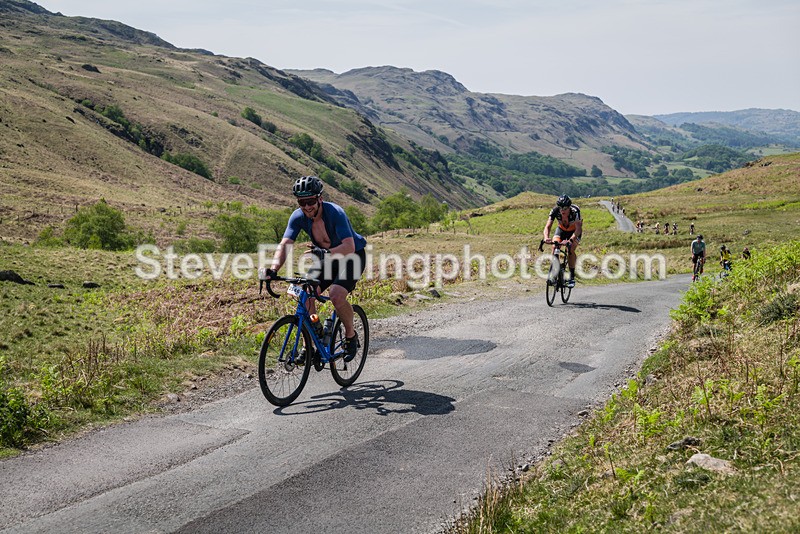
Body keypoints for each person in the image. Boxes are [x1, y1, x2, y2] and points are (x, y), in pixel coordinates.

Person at [264, 176, 367, 359]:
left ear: (320, 198)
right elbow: (285, 244)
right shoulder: (298, 217)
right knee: (305, 294)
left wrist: (325, 253)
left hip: (352, 256)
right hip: (328, 258)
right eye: (301, 202)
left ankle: (351, 336)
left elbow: (349, 246)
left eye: (310, 201)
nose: (306, 207)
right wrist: (273, 269)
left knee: (336, 295)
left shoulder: (335, 213)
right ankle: (310, 344)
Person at [543, 194, 582, 288]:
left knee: (570, 250)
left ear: (569, 207)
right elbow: (548, 226)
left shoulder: (575, 211)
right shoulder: (555, 211)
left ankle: (571, 276)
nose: (562, 210)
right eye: (560, 208)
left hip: (574, 232)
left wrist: (570, 240)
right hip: (561, 230)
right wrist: (546, 237)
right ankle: (554, 273)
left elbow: (578, 229)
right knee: (554, 246)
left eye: (565, 208)